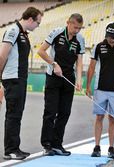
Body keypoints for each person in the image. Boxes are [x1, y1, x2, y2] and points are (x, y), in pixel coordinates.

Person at [37, 13, 84, 156]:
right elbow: (40, 51)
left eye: (79, 28)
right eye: (75, 27)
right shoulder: (56, 33)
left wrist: (79, 79)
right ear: (68, 23)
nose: (77, 31)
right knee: (50, 112)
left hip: (68, 79)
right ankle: (47, 145)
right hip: (53, 77)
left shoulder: (80, 39)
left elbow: (80, 61)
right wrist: (54, 64)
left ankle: (57, 144)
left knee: (64, 113)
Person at [0, 7, 43, 160]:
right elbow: (2, 55)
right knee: (13, 115)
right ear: (30, 19)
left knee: (17, 115)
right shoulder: (13, 30)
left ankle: (15, 147)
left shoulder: (24, 33)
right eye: (38, 23)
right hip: (13, 78)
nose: (38, 26)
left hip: (20, 79)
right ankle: (10, 150)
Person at [86, 22, 114, 160]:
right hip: (100, 89)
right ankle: (97, 146)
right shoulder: (98, 46)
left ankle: (111, 148)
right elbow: (92, 67)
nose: (109, 38)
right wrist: (87, 85)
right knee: (99, 117)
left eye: (112, 36)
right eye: (108, 35)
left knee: (112, 118)